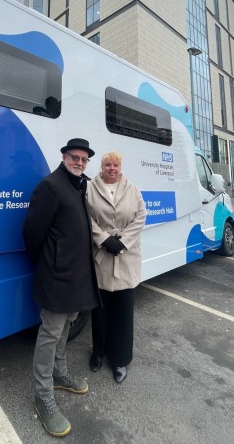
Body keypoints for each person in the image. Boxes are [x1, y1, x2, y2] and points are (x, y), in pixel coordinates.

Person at [23, 138, 100, 437]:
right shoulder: (51, 186)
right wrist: (49, 262)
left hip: (77, 274)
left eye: (84, 159)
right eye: (75, 157)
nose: (79, 163)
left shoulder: (82, 185)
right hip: (56, 276)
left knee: (67, 325)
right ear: (64, 157)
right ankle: (43, 396)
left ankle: (59, 373)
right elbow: (32, 232)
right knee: (50, 332)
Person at [86, 150, 146, 383]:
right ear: (102, 167)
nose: (112, 168)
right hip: (101, 255)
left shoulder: (133, 189)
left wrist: (121, 241)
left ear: (121, 168)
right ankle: (98, 353)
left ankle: (120, 360)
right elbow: (86, 217)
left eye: (116, 165)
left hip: (126, 256)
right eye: (108, 165)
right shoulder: (90, 188)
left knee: (123, 312)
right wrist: (103, 239)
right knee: (99, 311)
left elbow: (141, 216)